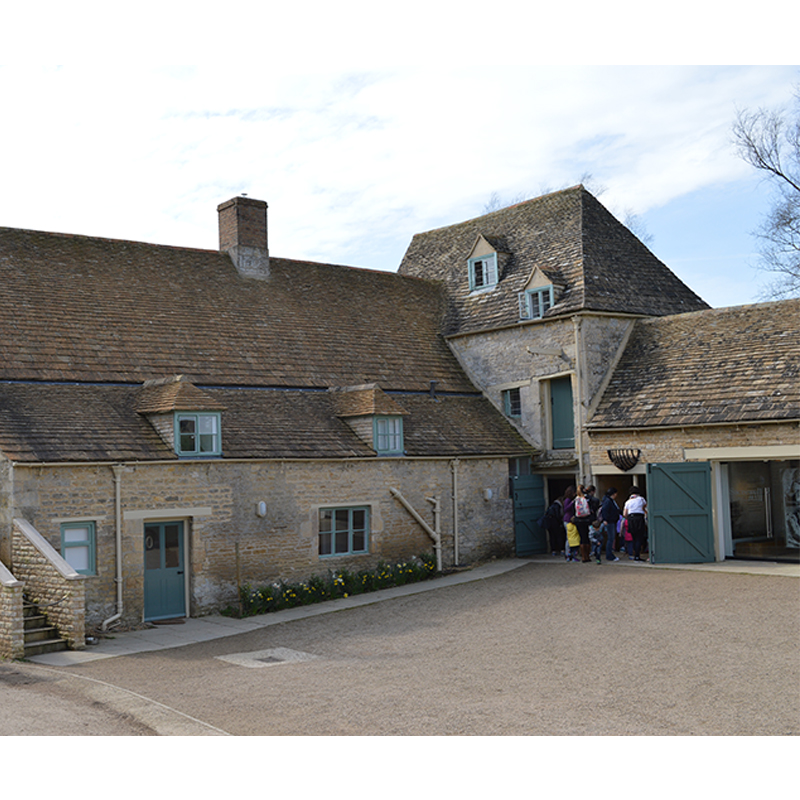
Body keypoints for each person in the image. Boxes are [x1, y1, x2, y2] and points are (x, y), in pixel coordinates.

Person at [623, 487, 648, 561]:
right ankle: (637, 556)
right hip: (639, 518)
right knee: (639, 538)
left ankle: (634, 554)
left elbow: (625, 513)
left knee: (634, 538)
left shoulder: (628, 502)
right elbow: (645, 507)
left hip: (631, 518)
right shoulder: (641, 499)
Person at [600, 487, 621, 562]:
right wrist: (605, 519)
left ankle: (609, 554)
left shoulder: (609, 500)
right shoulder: (608, 501)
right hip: (610, 521)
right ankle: (609, 555)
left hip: (612, 521)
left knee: (611, 538)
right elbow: (605, 510)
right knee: (611, 538)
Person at [573, 484, 592, 562]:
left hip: (578, 519)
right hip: (586, 519)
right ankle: (587, 556)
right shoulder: (586, 498)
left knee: (582, 537)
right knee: (586, 537)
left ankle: (583, 556)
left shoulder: (576, 499)